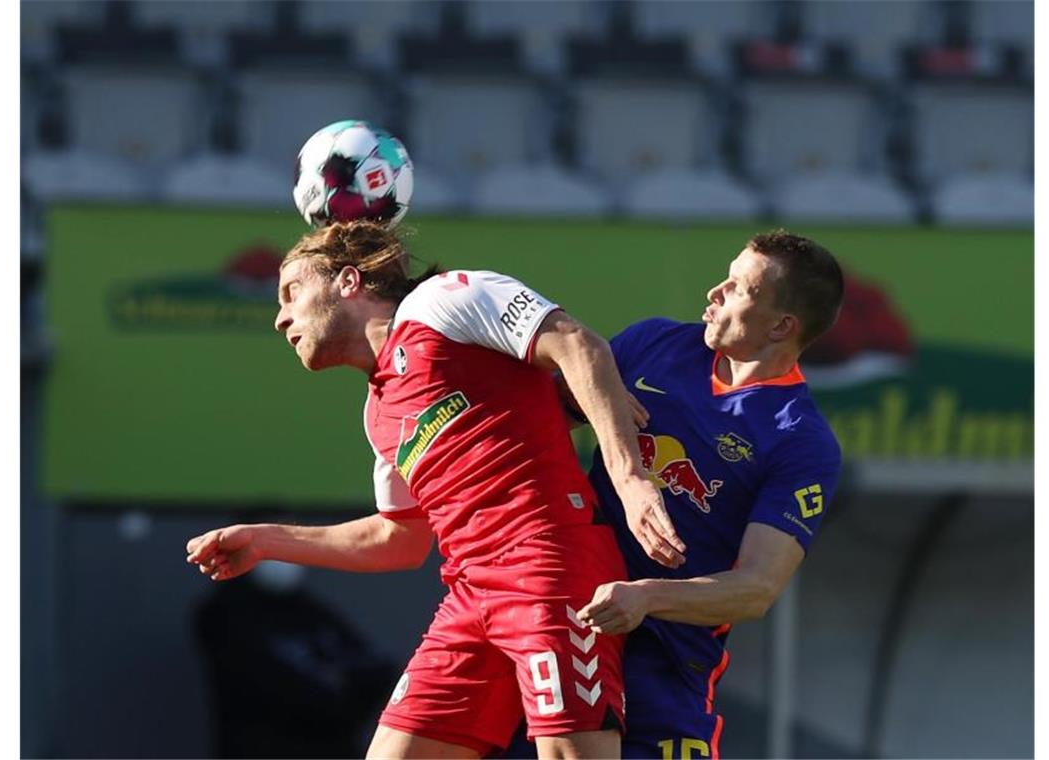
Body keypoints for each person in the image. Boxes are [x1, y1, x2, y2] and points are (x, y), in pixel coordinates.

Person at [185, 220, 687, 759]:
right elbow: (399, 540)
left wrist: (630, 479)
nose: (280, 316)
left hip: (549, 567)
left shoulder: (442, 301)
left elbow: (577, 344)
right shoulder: (378, 412)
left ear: (349, 281)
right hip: (470, 596)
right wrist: (266, 541)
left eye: (292, 293)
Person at [572, 230, 846, 759]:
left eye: (739, 287)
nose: (715, 291)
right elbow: (543, 426)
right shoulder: (649, 345)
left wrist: (645, 597)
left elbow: (755, 588)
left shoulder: (801, 440)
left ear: (781, 326)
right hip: (565, 621)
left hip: (668, 664)